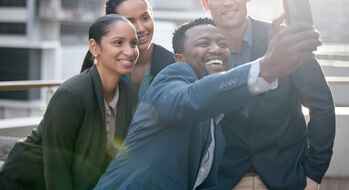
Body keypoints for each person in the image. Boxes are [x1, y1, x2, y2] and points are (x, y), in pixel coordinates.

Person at [94, 16, 322, 190]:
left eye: (223, 43)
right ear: (180, 58)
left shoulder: (217, 130)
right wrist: (267, 66)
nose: (216, 48)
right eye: (203, 43)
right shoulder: (173, 75)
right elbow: (188, 100)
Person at [200, 0, 335, 190]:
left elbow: (321, 106)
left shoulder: (284, 40)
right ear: (205, 3)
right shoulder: (198, 49)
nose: (228, 2)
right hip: (223, 180)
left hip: (286, 178)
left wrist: (313, 174)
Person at [0, 14, 139, 190]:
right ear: (94, 48)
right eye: (118, 42)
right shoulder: (71, 95)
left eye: (133, 43)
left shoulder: (129, 95)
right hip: (27, 182)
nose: (129, 51)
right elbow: (57, 169)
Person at [105, 0, 175, 102]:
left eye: (145, 18)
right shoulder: (101, 63)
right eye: (130, 22)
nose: (141, 28)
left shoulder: (171, 65)